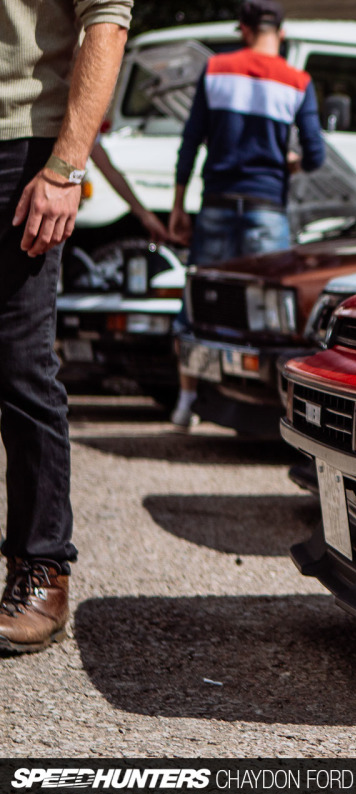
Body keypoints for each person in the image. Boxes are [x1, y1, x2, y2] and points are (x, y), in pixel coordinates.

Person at [0, 0, 131, 653]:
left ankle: (41, 565)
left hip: (19, 147)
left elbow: (105, 21)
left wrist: (66, 166)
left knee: (20, 365)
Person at [168, 0, 325, 430]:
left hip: (217, 203)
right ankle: (267, 413)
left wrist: (179, 205)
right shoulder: (297, 81)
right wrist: (287, 161)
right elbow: (315, 155)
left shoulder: (217, 68)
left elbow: (190, 142)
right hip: (265, 209)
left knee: (198, 305)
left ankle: (186, 404)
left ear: (243, 29)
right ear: (283, 33)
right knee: (271, 315)